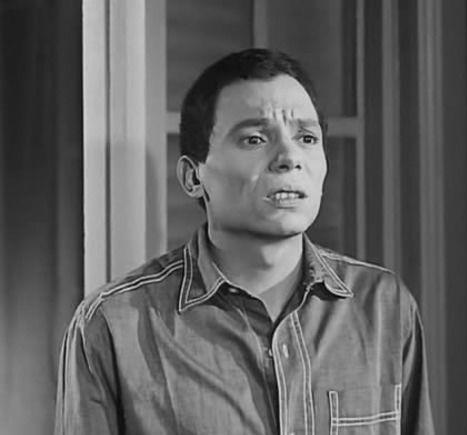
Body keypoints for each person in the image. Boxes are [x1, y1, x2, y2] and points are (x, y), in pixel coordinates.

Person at [55, 48, 434, 435]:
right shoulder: (115, 325)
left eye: (306, 137)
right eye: (254, 139)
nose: (289, 157)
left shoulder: (382, 305)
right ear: (193, 177)